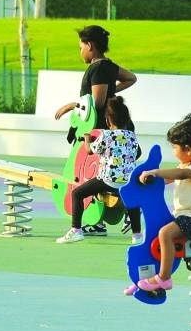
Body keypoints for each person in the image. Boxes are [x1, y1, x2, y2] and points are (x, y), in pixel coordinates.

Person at [54, 25, 137, 236]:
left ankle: (97, 221)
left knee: (93, 176)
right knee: (100, 176)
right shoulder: (108, 66)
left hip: (98, 131)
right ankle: (99, 220)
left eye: (81, 46)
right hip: (103, 129)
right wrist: (113, 91)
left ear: (90, 46)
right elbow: (131, 78)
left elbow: (96, 103)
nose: (80, 51)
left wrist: (71, 106)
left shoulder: (98, 68)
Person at [135, 113, 191, 292]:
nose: (173, 151)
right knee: (158, 229)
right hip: (186, 217)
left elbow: (180, 175)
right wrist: (148, 180)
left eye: (174, 147)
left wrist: (156, 172)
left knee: (165, 234)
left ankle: (164, 278)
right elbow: (167, 180)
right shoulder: (184, 166)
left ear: (187, 149)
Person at [56, 97, 143, 244]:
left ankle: (76, 230)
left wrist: (87, 139)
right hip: (127, 181)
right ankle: (137, 235)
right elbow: (138, 153)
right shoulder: (132, 137)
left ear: (108, 121)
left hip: (108, 180)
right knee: (132, 201)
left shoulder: (106, 135)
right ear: (127, 119)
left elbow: (90, 151)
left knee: (77, 193)